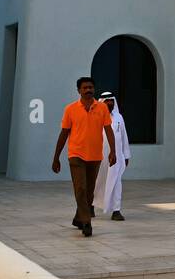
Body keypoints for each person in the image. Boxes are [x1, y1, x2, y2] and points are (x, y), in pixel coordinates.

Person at [52, 76, 116, 237]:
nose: (88, 90)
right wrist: (56, 157)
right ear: (79, 90)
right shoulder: (70, 109)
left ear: (94, 89)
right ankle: (87, 222)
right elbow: (64, 133)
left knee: (89, 192)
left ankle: (78, 218)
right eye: (85, 87)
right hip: (76, 154)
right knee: (80, 188)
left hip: (95, 156)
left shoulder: (102, 108)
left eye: (90, 87)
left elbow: (109, 130)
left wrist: (113, 151)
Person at [93, 91, 131, 221]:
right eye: (107, 101)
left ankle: (116, 210)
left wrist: (126, 155)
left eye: (111, 101)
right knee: (98, 182)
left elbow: (123, 136)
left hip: (116, 157)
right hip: (99, 157)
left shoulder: (119, 117)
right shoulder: (95, 116)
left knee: (116, 182)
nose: (110, 103)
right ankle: (91, 205)